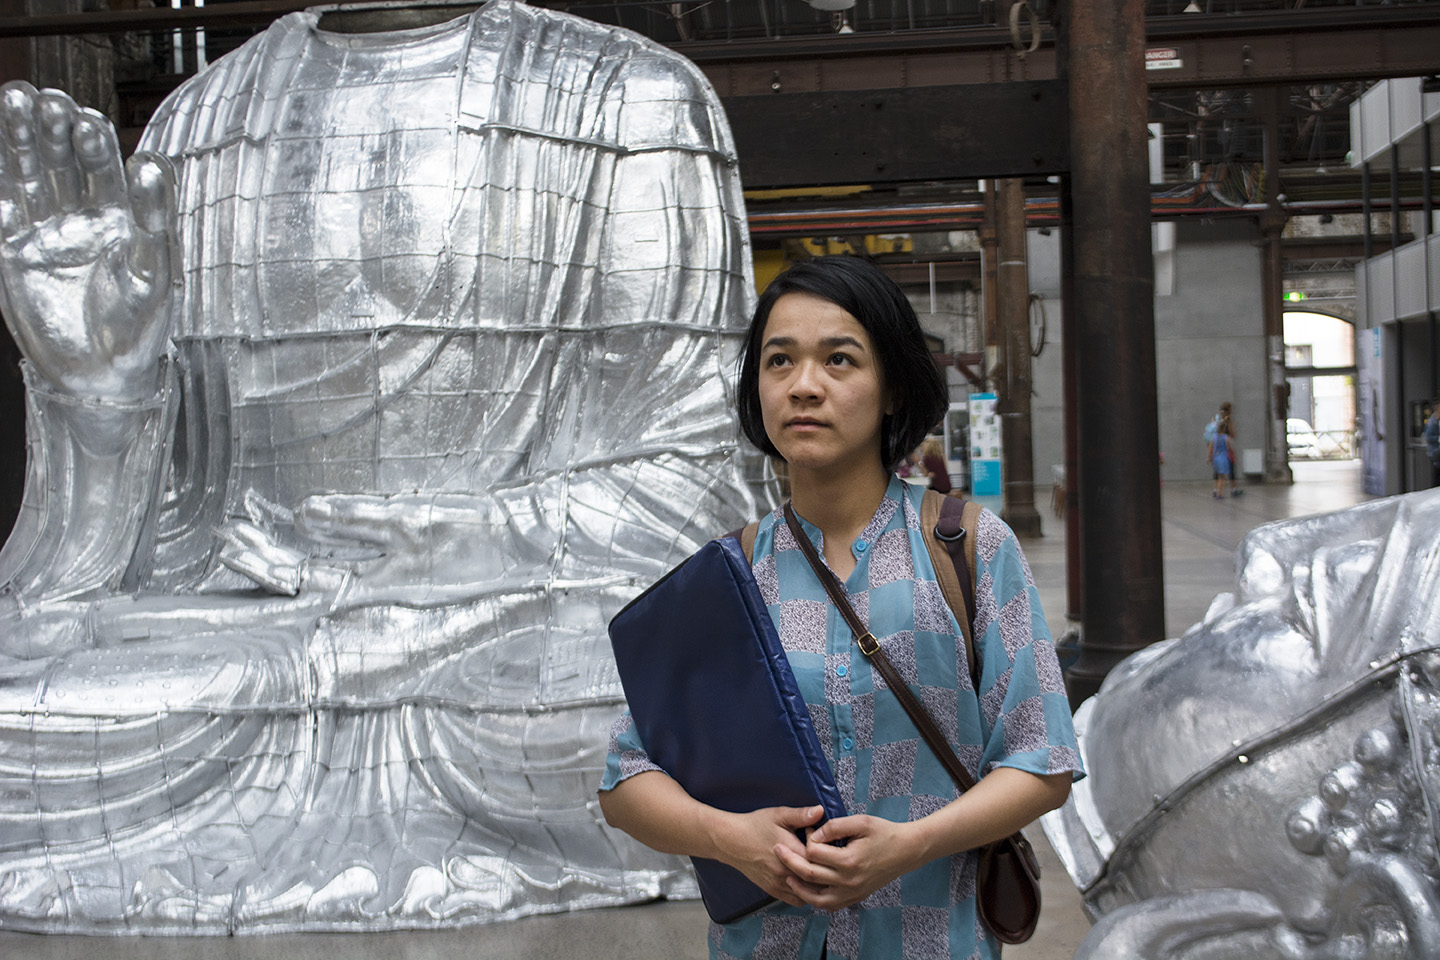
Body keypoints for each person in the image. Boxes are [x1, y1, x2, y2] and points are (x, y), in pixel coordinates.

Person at [0, 3, 763, 929]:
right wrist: (98, 401)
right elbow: (162, 544)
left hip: (509, 647)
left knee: (607, 710)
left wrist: (458, 545)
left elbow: (701, 483)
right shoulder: (198, 125)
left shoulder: (630, 96)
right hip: (252, 649)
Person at [598, 256, 1082, 960]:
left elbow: (1043, 760)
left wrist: (909, 845)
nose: (804, 385)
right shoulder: (729, 578)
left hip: (929, 939)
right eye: (780, 361)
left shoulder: (968, 549)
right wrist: (729, 839)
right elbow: (625, 777)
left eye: (839, 360)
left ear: (892, 388)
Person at [1209, 415, 1236, 499]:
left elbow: (1210, 448)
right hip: (1223, 458)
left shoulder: (1214, 437)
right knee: (1221, 477)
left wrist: (1209, 457)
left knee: (1216, 475)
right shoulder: (1226, 437)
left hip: (1215, 458)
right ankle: (1219, 493)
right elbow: (1230, 448)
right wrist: (1233, 455)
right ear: (1224, 429)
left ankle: (1215, 490)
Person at [1425, 404, 1440, 487]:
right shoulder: (1432, 422)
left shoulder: (1436, 421)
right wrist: (1438, 438)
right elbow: (1428, 437)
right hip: (1435, 451)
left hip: (1436, 451)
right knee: (1437, 471)